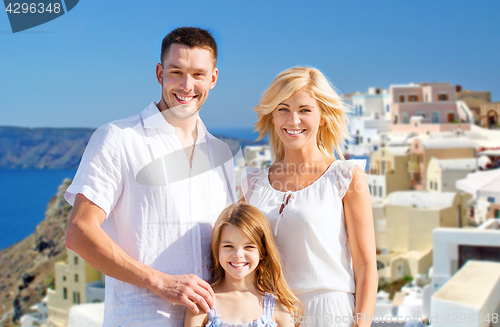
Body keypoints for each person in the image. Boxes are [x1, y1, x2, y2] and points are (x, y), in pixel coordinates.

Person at [64, 27, 236, 326]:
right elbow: (79, 232)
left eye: (198, 74)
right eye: (176, 72)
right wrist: (161, 282)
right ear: (159, 73)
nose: (186, 85)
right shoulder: (119, 138)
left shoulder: (220, 153)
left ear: (213, 78)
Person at [241, 67, 378, 327]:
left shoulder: (346, 177)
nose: (293, 120)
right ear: (271, 116)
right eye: (283, 109)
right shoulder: (252, 184)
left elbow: (366, 266)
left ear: (323, 117)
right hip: (268, 314)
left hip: (329, 313)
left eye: (304, 110)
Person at [184, 203, 302, 327]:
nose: (238, 254)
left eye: (249, 246)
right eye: (228, 246)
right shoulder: (201, 304)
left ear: (262, 251)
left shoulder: (280, 308)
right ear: (217, 249)